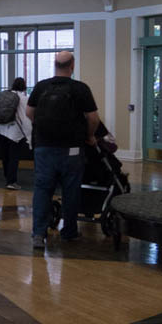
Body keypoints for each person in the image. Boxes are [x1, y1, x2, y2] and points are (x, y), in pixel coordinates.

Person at [26, 51, 100, 248]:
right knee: (71, 191)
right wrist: (90, 136)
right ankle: (69, 231)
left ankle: (38, 235)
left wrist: (43, 128)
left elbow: (29, 112)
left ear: (54, 65)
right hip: (72, 149)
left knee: (42, 191)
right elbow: (93, 118)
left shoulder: (41, 86)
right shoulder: (80, 88)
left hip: (43, 147)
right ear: (72, 65)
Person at [0, 77, 32, 190]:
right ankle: (11, 181)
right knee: (13, 157)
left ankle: (7, 177)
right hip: (14, 133)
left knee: (5, 156)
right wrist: (29, 136)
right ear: (24, 86)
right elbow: (25, 119)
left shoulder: (4, 95)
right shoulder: (23, 99)